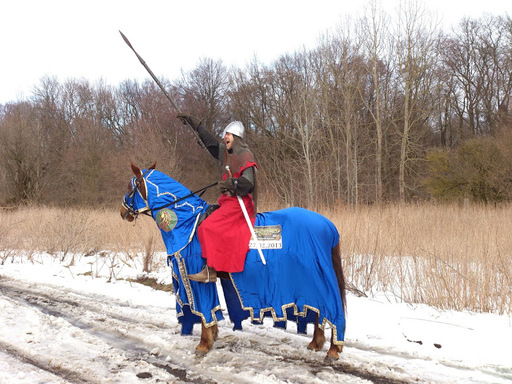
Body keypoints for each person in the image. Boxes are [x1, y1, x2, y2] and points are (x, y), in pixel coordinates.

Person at [177, 114, 258, 283]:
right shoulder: (227, 154)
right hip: (228, 201)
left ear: (236, 137)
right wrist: (195, 124)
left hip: (240, 203)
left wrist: (232, 183)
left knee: (207, 227)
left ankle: (211, 270)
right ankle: (217, 267)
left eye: (228, 134)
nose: (225, 137)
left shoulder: (246, 156)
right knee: (203, 225)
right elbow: (210, 142)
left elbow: (248, 183)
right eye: (225, 134)